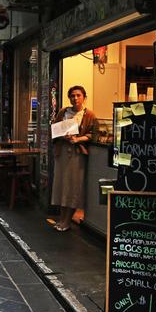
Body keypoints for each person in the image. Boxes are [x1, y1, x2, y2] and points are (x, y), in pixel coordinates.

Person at [50, 85, 97, 232]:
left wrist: (78, 139)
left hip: (77, 154)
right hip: (62, 152)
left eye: (78, 95)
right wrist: (62, 135)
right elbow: (54, 129)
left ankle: (67, 221)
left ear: (84, 97)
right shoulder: (63, 112)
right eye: (72, 95)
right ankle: (62, 218)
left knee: (73, 187)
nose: (75, 98)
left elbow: (93, 134)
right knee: (61, 186)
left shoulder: (89, 114)